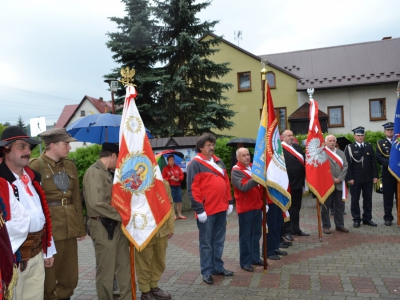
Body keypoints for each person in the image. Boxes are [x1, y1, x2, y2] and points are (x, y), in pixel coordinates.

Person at [29, 128, 86, 300]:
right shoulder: (36, 165)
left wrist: (80, 227)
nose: (69, 147)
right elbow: (33, 202)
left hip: (69, 226)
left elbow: (76, 198)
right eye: (66, 144)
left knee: (70, 274)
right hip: (51, 229)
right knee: (50, 274)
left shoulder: (70, 165)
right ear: (52, 145)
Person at [0, 126, 56, 300]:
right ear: (6, 150)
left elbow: (43, 216)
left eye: (28, 147)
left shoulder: (33, 178)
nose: (27, 152)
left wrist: (48, 250)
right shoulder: (2, 182)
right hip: (14, 258)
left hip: (37, 254)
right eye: (21, 147)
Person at [82, 143, 132, 300]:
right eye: (119, 158)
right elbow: (95, 204)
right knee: (106, 270)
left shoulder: (112, 173)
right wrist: (122, 215)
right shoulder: (94, 173)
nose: (120, 162)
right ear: (113, 156)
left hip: (117, 225)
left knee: (124, 267)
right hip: (102, 226)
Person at [187, 133, 234, 285]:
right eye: (208, 145)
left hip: (221, 208)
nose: (212, 147)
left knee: (219, 241)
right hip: (206, 211)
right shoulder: (195, 164)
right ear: (201, 147)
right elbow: (193, 189)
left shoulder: (219, 162)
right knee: (206, 243)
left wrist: (229, 201)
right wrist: (199, 209)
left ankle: (217, 267)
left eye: (213, 144)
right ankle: (206, 271)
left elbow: (226, 182)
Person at [134, 180, 175, 300]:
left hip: (161, 230)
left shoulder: (164, 184)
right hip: (144, 231)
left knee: (159, 260)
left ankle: (154, 287)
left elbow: (170, 204)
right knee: (144, 261)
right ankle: (145, 291)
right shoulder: (136, 184)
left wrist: (170, 227)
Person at [231, 148, 263, 271]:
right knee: (246, 236)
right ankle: (245, 261)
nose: (247, 157)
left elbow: (259, 187)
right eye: (243, 155)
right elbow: (243, 187)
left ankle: (255, 257)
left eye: (248, 154)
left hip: (256, 206)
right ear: (238, 158)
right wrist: (257, 177)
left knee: (256, 235)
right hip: (245, 209)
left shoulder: (253, 167)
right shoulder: (236, 171)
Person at [345, 126, 378, 228]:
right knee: (355, 199)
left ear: (364, 136)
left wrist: (375, 176)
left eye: (362, 135)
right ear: (354, 136)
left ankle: (367, 218)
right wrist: (349, 178)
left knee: (368, 199)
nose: (360, 137)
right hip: (355, 178)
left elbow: (373, 162)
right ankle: (356, 219)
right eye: (358, 135)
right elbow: (348, 164)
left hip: (367, 178)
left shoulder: (368, 146)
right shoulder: (350, 147)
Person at [281, 130, 309, 240]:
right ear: (283, 138)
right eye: (288, 135)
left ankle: (296, 229)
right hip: (287, 184)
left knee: (296, 208)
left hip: (299, 183)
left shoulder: (297, 147)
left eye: (292, 135)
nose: (291, 137)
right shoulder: (280, 149)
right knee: (287, 209)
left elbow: (304, 160)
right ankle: (286, 231)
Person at [321, 135, 349, 234]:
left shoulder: (341, 152)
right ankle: (326, 226)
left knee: (340, 206)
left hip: (340, 184)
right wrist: (332, 178)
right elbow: (322, 168)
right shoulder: (322, 153)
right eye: (330, 141)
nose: (332, 142)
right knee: (325, 206)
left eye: (333, 141)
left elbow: (345, 165)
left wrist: (340, 178)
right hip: (327, 184)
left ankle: (340, 225)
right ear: (325, 142)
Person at [376, 122, 398, 226]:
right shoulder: (380, 143)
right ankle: (388, 218)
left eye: (392, 130)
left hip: (398, 173)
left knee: (399, 197)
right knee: (388, 197)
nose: (390, 131)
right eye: (388, 130)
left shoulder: (398, 141)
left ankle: (399, 217)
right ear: (384, 131)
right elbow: (379, 157)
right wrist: (390, 164)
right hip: (388, 173)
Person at [162, 155, 185, 220]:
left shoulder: (177, 167)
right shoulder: (165, 169)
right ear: (168, 161)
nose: (173, 161)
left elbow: (181, 175)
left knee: (179, 200)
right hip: (170, 186)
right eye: (171, 159)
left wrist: (179, 179)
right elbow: (163, 178)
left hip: (178, 185)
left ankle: (179, 214)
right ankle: (174, 215)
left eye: (173, 159)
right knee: (171, 201)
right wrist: (170, 178)